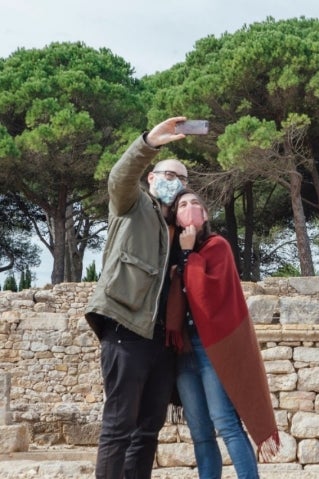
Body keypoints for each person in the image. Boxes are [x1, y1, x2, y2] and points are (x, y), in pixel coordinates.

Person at [84, 116, 191, 479]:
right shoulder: (132, 205)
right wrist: (149, 143)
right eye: (169, 174)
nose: (175, 182)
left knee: (148, 431)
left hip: (160, 342)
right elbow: (118, 177)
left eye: (182, 178)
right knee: (118, 428)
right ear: (151, 177)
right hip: (125, 330)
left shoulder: (178, 230)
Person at [168, 189, 278, 479]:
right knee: (200, 431)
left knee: (226, 422)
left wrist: (190, 254)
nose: (189, 208)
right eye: (182, 204)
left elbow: (206, 293)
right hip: (184, 350)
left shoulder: (217, 246)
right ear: (175, 215)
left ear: (205, 215)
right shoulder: (170, 251)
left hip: (211, 348)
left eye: (195, 204)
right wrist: (181, 256)